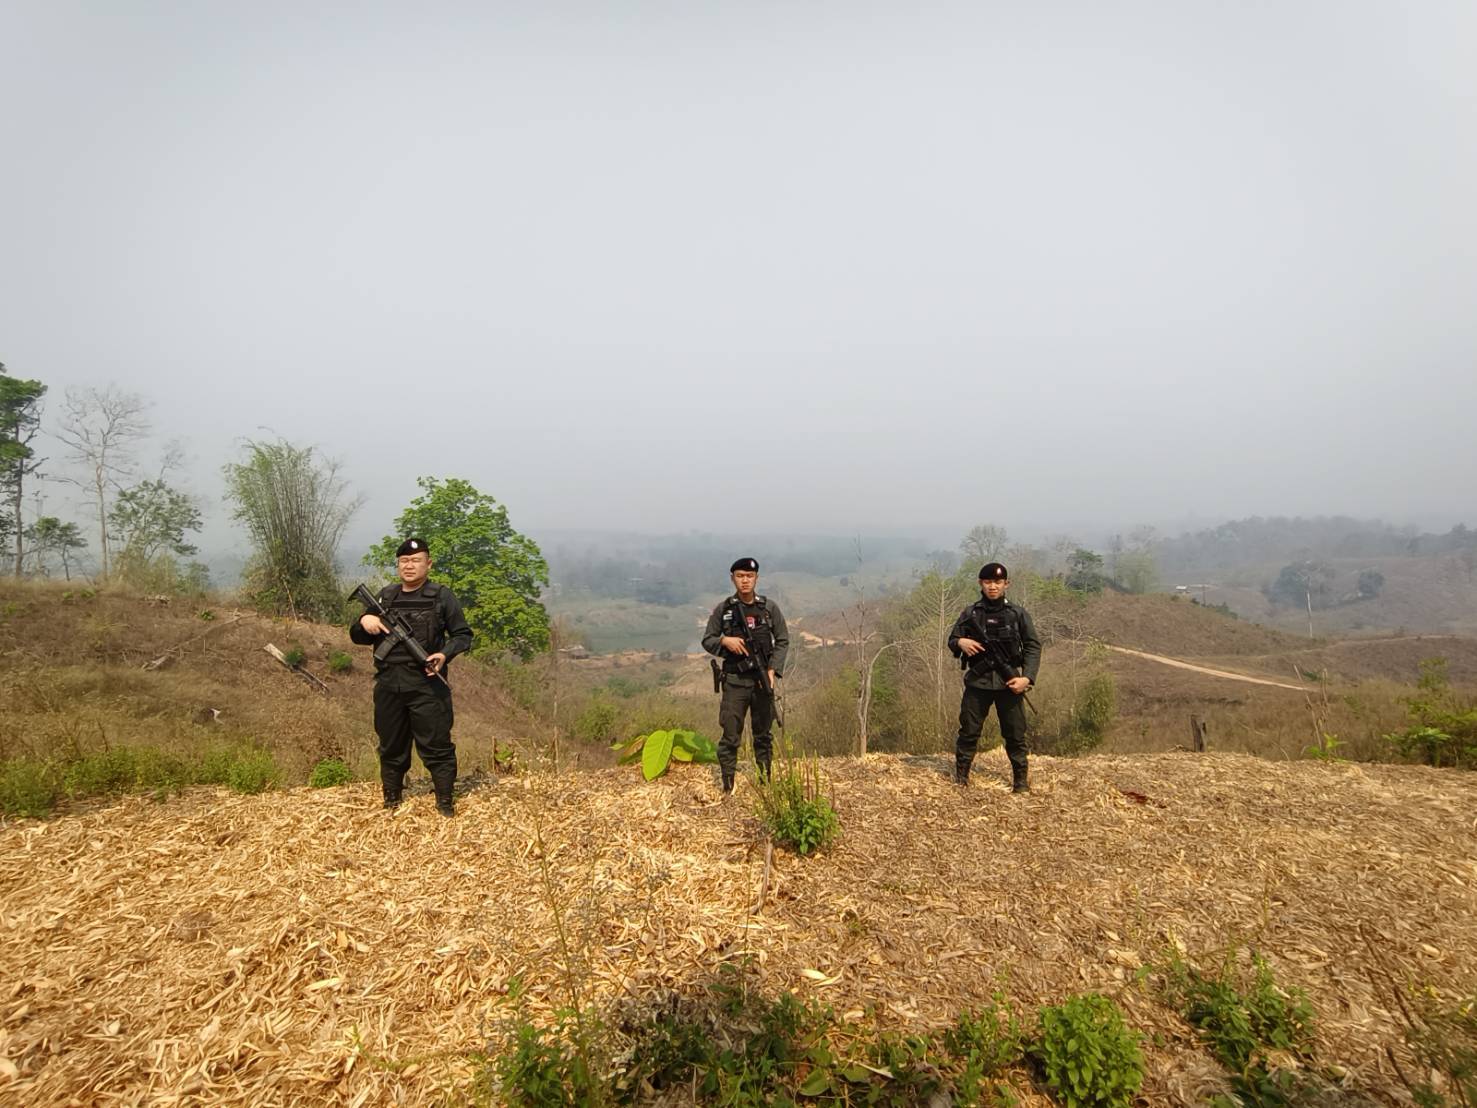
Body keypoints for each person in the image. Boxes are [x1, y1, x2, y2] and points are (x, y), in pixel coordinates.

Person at [349, 537, 473, 816]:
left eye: (416, 560)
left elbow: (463, 635)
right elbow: (358, 636)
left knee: (436, 745)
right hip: (389, 684)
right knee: (391, 745)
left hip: (427, 685)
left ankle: (444, 802)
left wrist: (444, 655)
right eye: (404, 561)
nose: (409, 565)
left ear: (428, 564)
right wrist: (364, 621)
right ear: (398, 565)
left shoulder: (442, 596)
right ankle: (391, 800)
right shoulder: (385, 596)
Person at [947, 562, 1042, 793]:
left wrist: (1027, 678)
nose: (993, 587)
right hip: (978, 683)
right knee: (969, 731)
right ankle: (961, 777)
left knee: (1015, 734)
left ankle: (1020, 781)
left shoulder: (1017, 614)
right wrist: (961, 642)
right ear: (981, 583)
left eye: (998, 582)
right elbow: (952, 639)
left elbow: (1033, 646)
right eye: (988, 582)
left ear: (1006, 584)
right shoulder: (971, 613)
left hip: (1009, 683)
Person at [701, 557, 790, 794]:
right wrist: (724, 641)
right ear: (733, 579)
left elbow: (782, 640)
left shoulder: (768, 609)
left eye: (749, 576)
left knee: (763, 735)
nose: (745, 581)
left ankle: (765, 781)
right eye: (740, 576)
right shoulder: (724, 609)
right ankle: (727, 784)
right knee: (731, 734)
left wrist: (773, 670)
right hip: (735, 682)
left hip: (762, 682)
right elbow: (707, 639)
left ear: (756, 578)